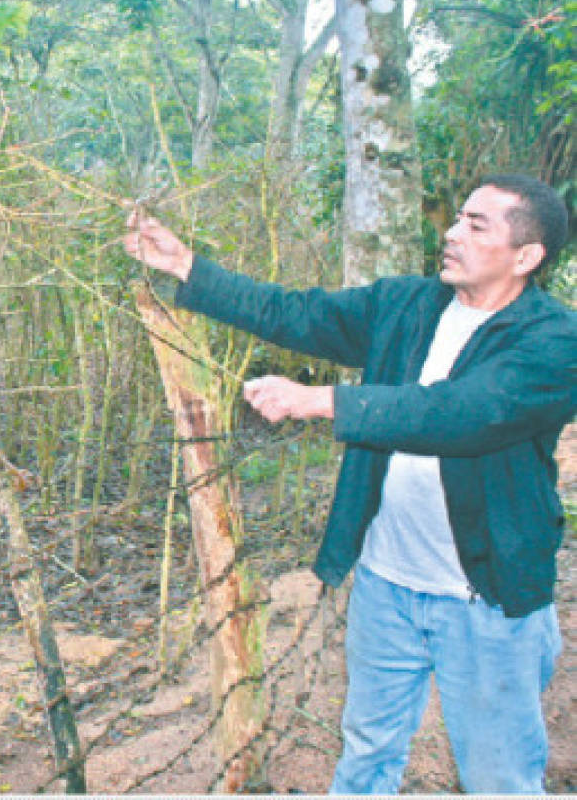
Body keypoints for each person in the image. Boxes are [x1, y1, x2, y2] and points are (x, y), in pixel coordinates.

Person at [122, 174, 575, 794]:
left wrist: (321, 399)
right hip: (387, 585)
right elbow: (295, 314)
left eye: (476, 225)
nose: (451, 232)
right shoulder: (407, 307)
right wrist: (186, 266)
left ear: (526, 257)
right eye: (457, 218)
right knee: (365, 754)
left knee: (500, 778)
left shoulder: (553, 340)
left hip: (487, 601)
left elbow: (461, 414)